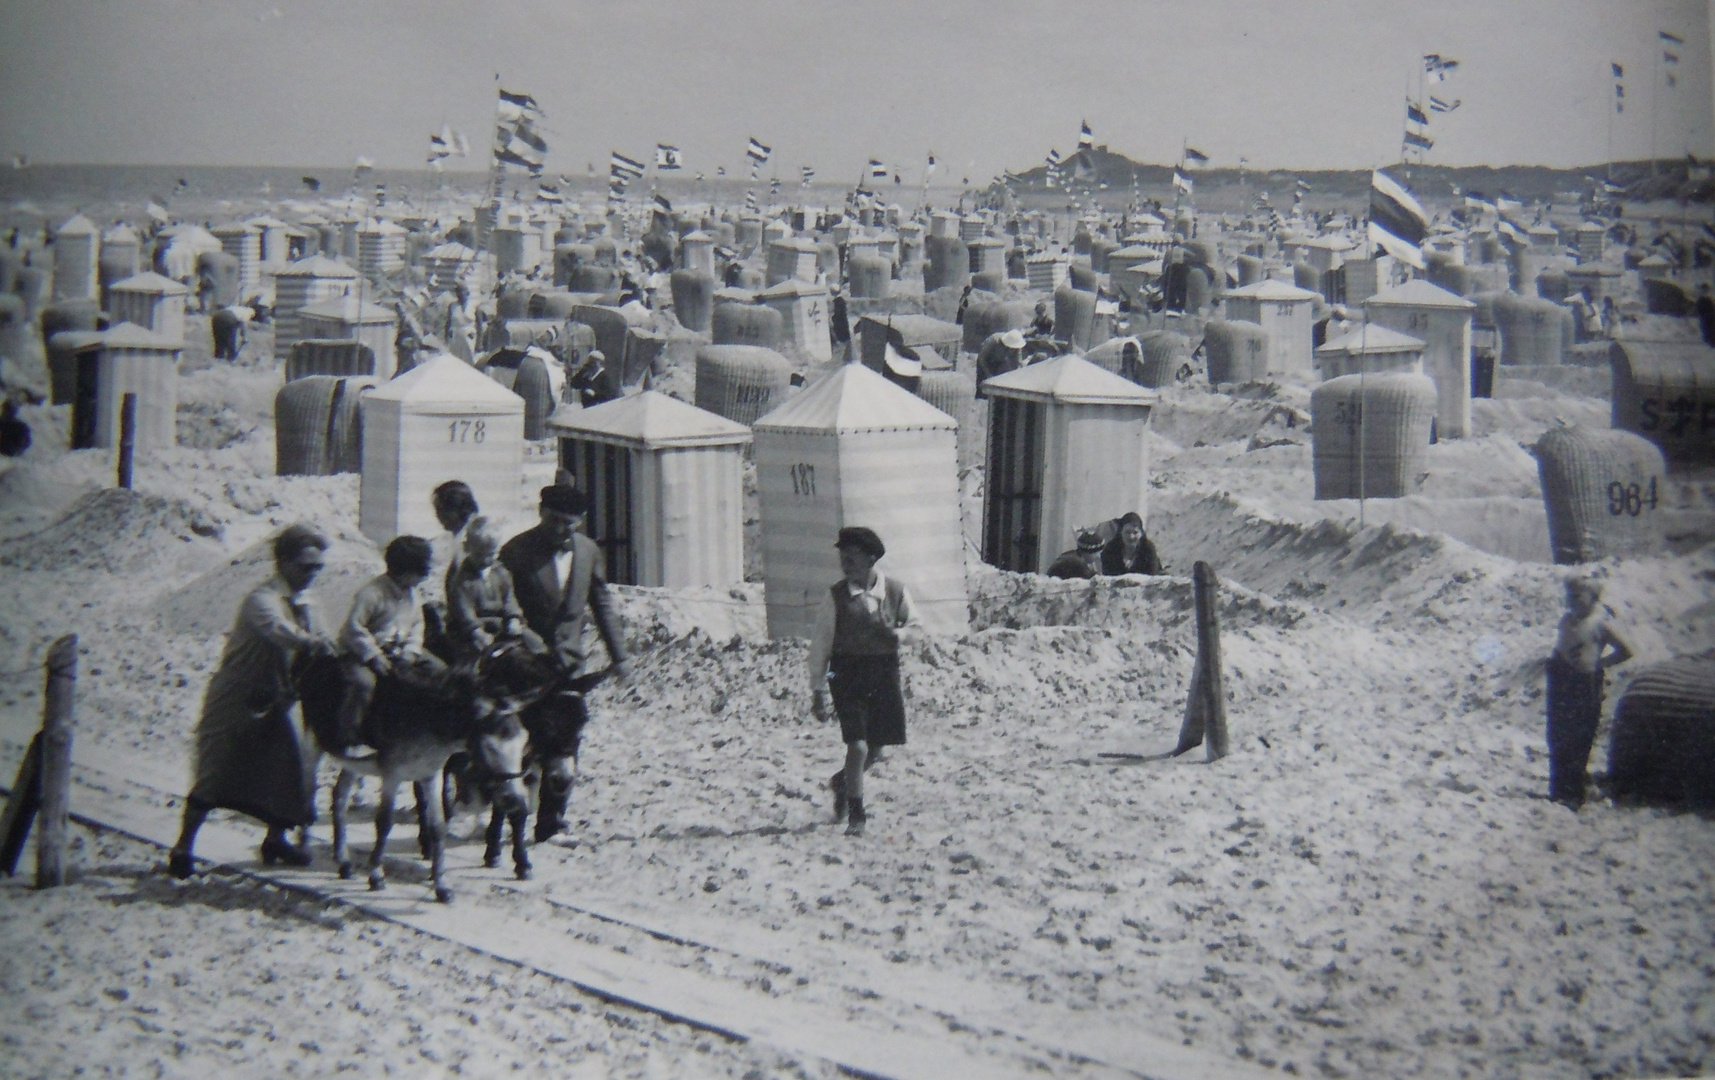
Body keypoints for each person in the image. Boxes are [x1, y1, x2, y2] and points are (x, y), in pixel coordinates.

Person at [169, 524, 337, 877]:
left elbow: (323, 637)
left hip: (282, 695)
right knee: (215, 771)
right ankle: (183, 846)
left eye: (318, 567)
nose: (312, 574)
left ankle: (275, 839)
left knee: (291, 769)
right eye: (306, 566)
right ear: (283, 563)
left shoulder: (311, 604)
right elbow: (281, 632)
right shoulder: (261, 600)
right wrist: (313, 644)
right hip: (239, 694)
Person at [499, 484, 631, 840]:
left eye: (569, 524)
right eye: (555, 520)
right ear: (541, 511)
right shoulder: (515, 551)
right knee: (524, 740)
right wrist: (528, 641)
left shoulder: (588, 552)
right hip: (527, 664)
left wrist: (619, 656)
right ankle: (511, 813)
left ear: (581, 522)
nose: (561, 529)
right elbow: (503, 608)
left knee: (565, 742)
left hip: (570, 665)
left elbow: (602, 604)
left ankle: (551, 823)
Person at [808, 527, 920, 837]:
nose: (846, 565)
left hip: (884, 673)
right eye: (842, 559)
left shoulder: (895, 592)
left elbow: (916, 628)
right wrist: (818, 689)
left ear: (871, 559)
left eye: (852, 559)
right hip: (844, 674)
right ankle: (856, 814)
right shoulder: (835, 598)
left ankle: (843, 781)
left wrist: (896, 635)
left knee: (876, 749)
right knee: (856, 746)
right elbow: (820, 644)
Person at [333, 535, 446, 751]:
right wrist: (373, 656)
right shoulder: (372, 594)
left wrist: (410, 651)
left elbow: (416, 625)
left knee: (439, 671)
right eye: (420, 573)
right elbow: (354, 629)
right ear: (404, 572)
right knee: (364, 685)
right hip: (360, 654)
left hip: (398, 650)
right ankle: (351, 735)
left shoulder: (413, 594)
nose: (424, 578)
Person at [1546, 575, 1633, 807]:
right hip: (1562, 682)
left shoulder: (1600, 624)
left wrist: (1600, 665)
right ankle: (1558, 788)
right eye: (1570, 596)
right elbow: (1561, 646)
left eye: (1578, 596)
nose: (1572, 600)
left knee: (1580, 735)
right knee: (1558, 734)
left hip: (1586, 684)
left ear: (1593, 598)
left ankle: (1574, 792)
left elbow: (1625, 651)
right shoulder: (1566, 621)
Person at [446, 516, 543, 665]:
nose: (486, 560)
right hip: (473, 629)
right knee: (481, 654)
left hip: (499, 624)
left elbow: (509, 599)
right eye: (479, 555)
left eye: (491, 555)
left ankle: (547, 667)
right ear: (467, 548)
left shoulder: (500, 572)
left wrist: (513, 618)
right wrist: (477, 631)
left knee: (533, 640)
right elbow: (463, 612)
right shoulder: (463, 580)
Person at [1101, 511, 1164, 576]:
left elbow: (1153, 574)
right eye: (1127, 532)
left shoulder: (1148, 549)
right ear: (1121, 532)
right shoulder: (1111, 550)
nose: (1131, 537)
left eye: (1135, 532)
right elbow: (1107, 576)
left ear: (1141, 533)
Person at [976, 328, 1026, 394]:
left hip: (999, 361)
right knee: (983, 384)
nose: (1014, 350)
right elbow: (981, 358)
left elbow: (1018, 363)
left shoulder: (1017, 347)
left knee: (999, 380)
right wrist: (988, 374)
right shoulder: (994, 340)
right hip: (986, 360)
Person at [1696, 283, 1715, 348]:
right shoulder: (1703, 299)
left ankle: (1710, 341)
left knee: (1708, 329)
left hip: (1708, 317)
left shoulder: (1705, 299)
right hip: (1706, 317)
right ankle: (1710, 341)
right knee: (1707, 329)